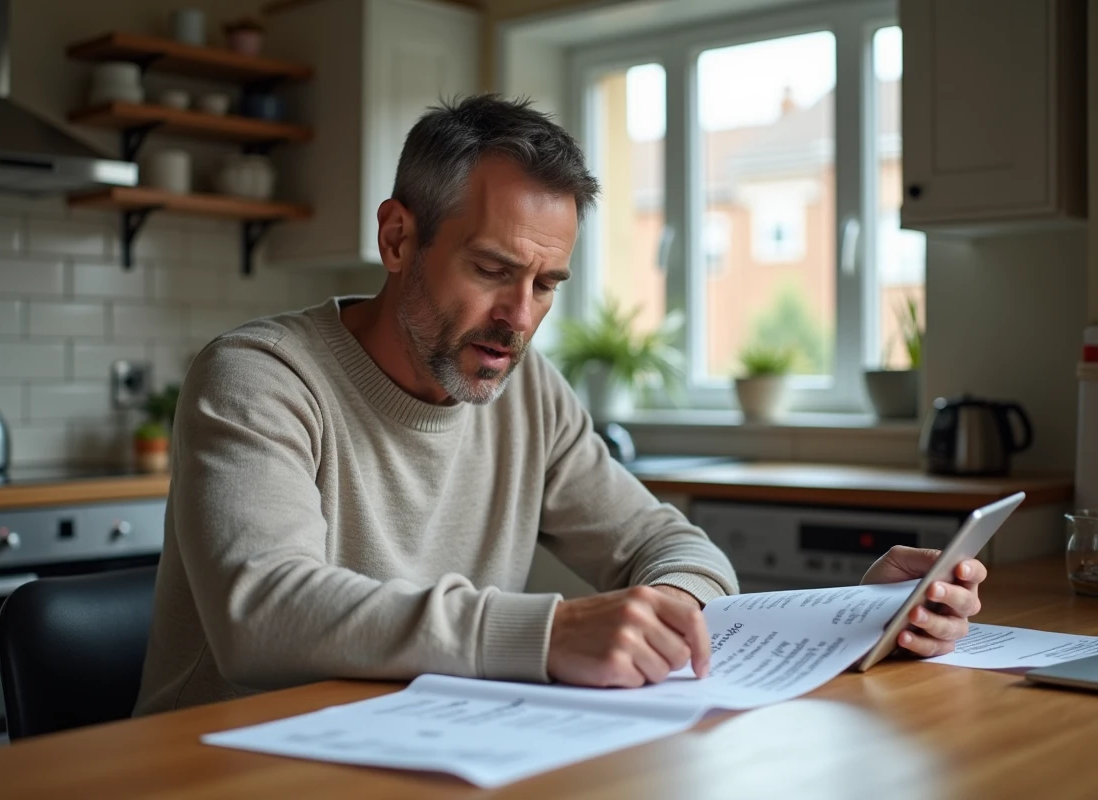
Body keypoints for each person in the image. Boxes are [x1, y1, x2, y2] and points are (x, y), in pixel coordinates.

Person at [133, 95, 985, 715]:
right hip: (220, 769)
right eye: (493, 270)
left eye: (546, 284)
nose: (519, 318)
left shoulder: (526, 390)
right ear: (397, 238)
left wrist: (729, 616)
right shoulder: (260, 376)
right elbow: (263, 614)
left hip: (422, 754)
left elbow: (668, 545)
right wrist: (547, 635)